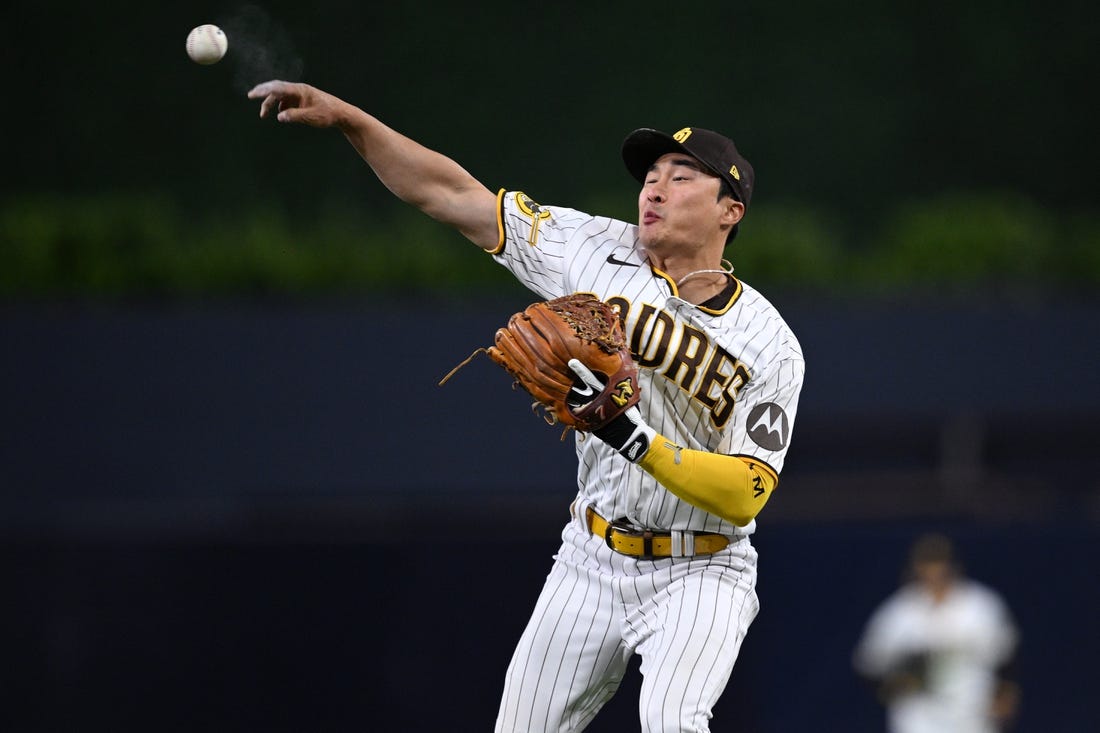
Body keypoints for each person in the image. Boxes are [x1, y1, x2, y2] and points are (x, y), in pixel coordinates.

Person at [248, 80, 805, 733]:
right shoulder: (592, 247)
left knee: (672, 720)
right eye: (650, 175)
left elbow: (748, 491)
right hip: (592, 555)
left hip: (704, 568)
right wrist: (352, 120)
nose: (653, 188)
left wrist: (633, 439)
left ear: (729, 210)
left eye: (682, 178)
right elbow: (451, 195)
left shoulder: (770, 342)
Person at [853, 533, 1021, 733]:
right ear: (916, 571)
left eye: (940, 571)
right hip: (919, 714)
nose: (933, 579)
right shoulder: (899, 613)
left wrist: (1005, 692)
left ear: (952, 568)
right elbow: (868, 663)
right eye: (927, 572)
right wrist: (891, 685)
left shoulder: (980, 605)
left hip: (973, 709)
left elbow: (1006, 654)